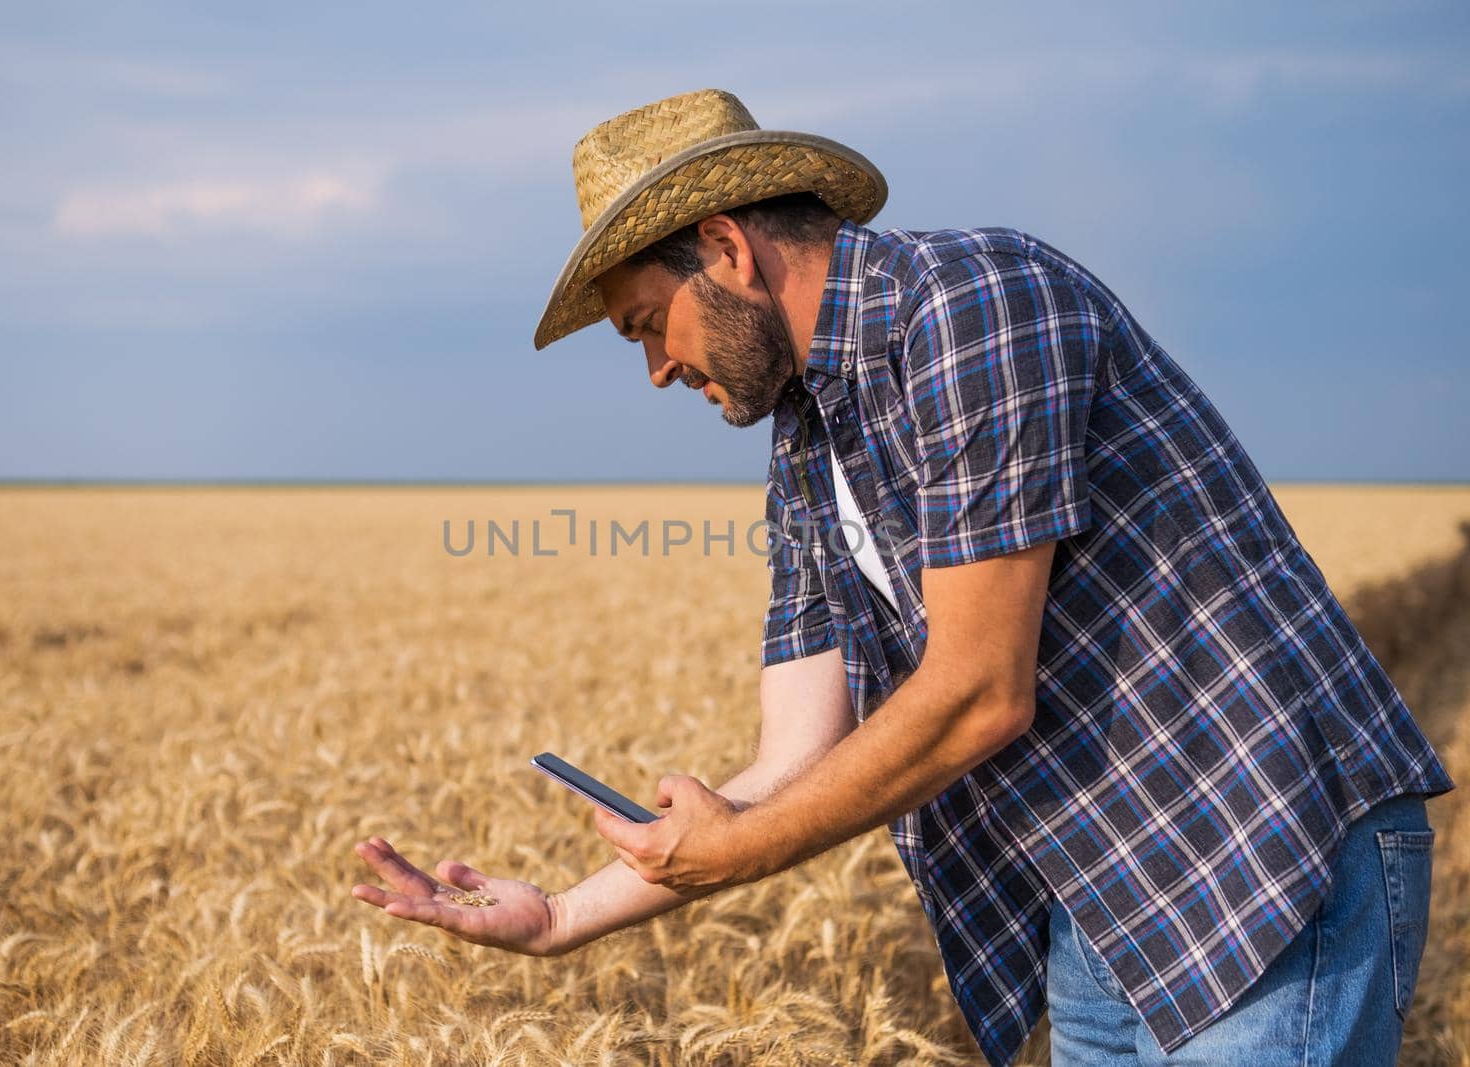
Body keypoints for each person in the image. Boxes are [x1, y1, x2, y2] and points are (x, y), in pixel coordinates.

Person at [349, 88, 1454, 1066]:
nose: (655, 370)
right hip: (1099, 897)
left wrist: (737, 848)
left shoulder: (971, 307)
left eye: (648, 323)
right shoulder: (806, 436)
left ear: (727, 249)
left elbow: (979, 688)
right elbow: (797, 753)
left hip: (1254, 859)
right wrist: (558, 917)